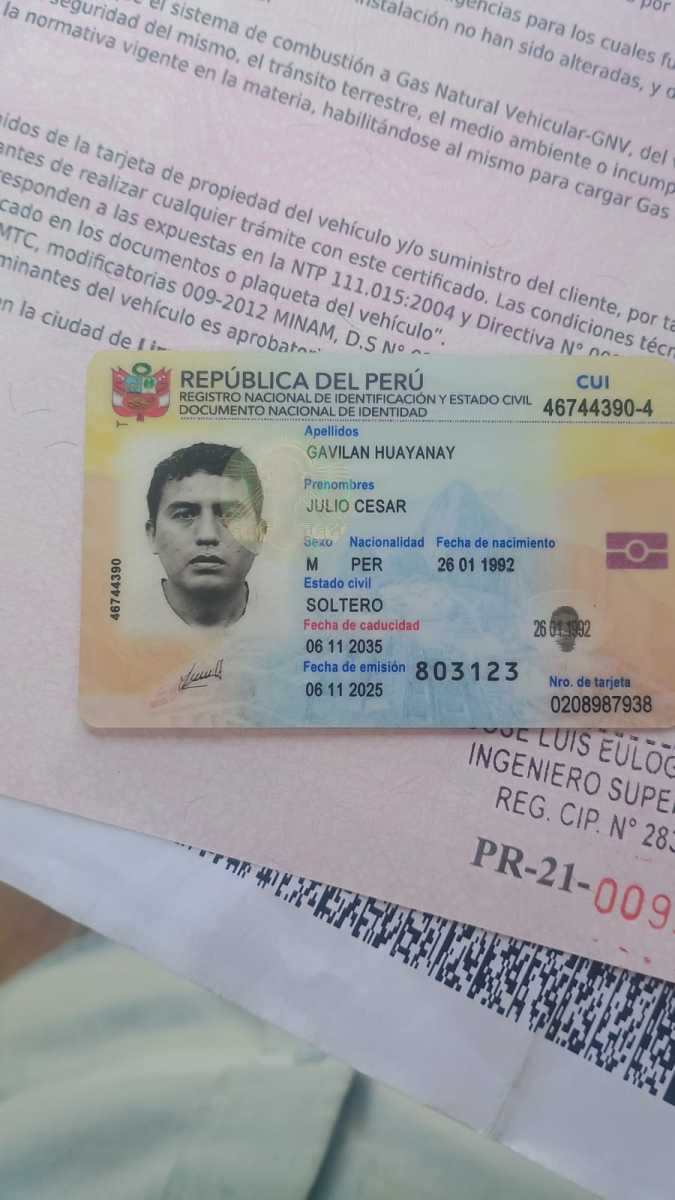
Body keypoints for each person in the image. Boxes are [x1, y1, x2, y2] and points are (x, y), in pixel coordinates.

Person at [145, 442, 266, 630]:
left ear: (259, 535)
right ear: (152, 535)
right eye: (184, 515)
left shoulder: (289, 626)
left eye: (229, 514)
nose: (207, 535)